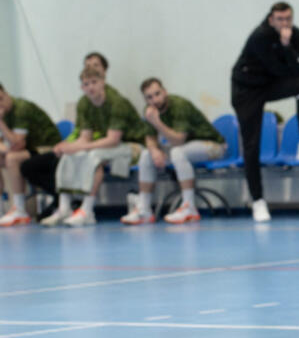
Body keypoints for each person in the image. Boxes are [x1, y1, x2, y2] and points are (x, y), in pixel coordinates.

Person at [232, 1, 299, 222]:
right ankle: (258, 201)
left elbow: (297, 68)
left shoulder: (297, 35)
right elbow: (278, 69)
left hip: (268, 83)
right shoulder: (260, 36)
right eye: (280, 19)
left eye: (288, 19)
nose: (285, 23)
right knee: (251, 145)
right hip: (246, 90)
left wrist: (290, 49)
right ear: (271, 20)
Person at [40, 66, 146, 227]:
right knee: (69, 154)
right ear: (82, 87)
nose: (90, 87)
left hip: (133, 145)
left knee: (93, 156)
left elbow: (113, 140)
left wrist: (80, 147)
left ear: (103, 82)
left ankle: (87, 211)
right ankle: (64, 208)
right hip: (108, 145)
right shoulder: (84, 103)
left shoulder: (118, 102)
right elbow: (85, 137)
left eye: (94, 82)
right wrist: (67, 147)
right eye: (86, 84)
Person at [20, 51, 114, 219]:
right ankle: (62, 203)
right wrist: (65, 145)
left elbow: (101, 137)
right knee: (29, 166)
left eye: (95, 66)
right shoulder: (84, 102)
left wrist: (72, 148)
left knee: (68, 159)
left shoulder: (111, 100)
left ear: (104, 73)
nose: (91, 70)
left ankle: (74, 207)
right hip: (77, 145)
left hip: (94, 148)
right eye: (87, 66)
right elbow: (80, 132)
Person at [120, 78, 226, 225]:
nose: (154, 100)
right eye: (149, 97)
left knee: (177, 152)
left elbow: (179, 140)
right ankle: (144, 209)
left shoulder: (179, 106)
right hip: (185, 148)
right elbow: (150, 138)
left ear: (165, 92)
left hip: (214, 146)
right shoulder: (149, 111)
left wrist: (157, 122)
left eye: (157, 94)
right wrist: (154, 151)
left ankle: (189, 207)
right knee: (146, 155)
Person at [0, 84, 62, 226]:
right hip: (30, 149)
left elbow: (18, 143)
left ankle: (20, 209)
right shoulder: (5, 113)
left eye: (1, 98)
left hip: (48, 147)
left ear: (6, 93)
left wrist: (0, 123)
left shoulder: (21, 109)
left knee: (12, 158)